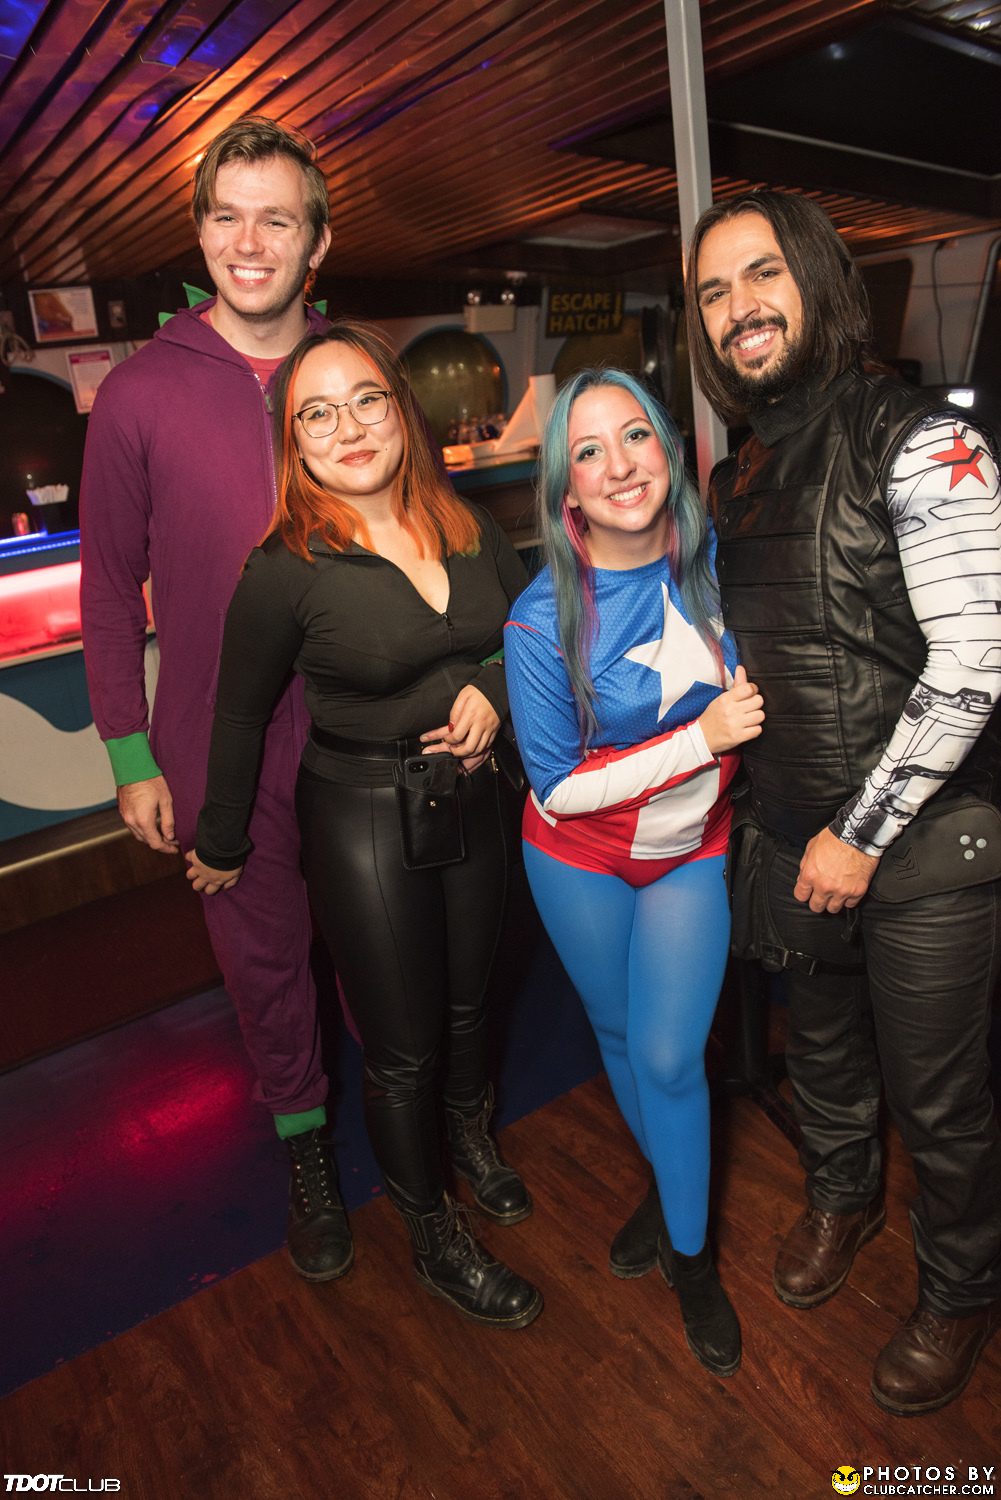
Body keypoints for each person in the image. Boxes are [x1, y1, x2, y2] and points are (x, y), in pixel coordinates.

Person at [686, 189, 1001, 1415]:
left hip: (919, 842)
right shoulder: (737, 474)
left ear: (817, 278)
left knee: (939, 1099)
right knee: (820, 1056)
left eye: (760, 274)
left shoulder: (918, 438)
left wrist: (856, 835)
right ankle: (840, 1199)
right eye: (713, 292)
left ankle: (958, 1288)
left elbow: (973, 662)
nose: (738, 308)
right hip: (792, 834)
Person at [186, 319, 541, 1330]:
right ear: (292, 442)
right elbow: (239, 712)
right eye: (316, 414)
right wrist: (220, 839)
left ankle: (467, 1139)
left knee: (471, 1006)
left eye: (365, 401)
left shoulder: (465, 523)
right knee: (402, 1047)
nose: (346, 428)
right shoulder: (284, 567)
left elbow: (533, 635)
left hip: (473, 798)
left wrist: (492, 692)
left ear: (400, 409)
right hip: (362, 816)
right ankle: (432, 1234)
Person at [79, 117, 354, 1283]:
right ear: (198, 234)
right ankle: (307, 1150)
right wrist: (129, 754)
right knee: (264, 961)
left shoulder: (354, 373)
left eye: (275, 220)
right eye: (226, 218)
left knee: (388, 943)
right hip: (213, 746)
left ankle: (428, 1122)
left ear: (316, 242)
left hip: (361, 729)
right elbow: (105, 586)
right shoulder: (137, 392)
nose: (249, 243)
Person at [504, 368, 765, 1376]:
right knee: (617, 1035)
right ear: (564, 490)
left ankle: (691, 1262)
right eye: (586, 450)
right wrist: (702, 737)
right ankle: (669, 1185)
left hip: (691, 852)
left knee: (667, 1058)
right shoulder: (540, 619)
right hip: (577, 860)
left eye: (635, 436)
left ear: (669, 448)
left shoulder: (723, 566)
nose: (617, 465)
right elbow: (559, 787)